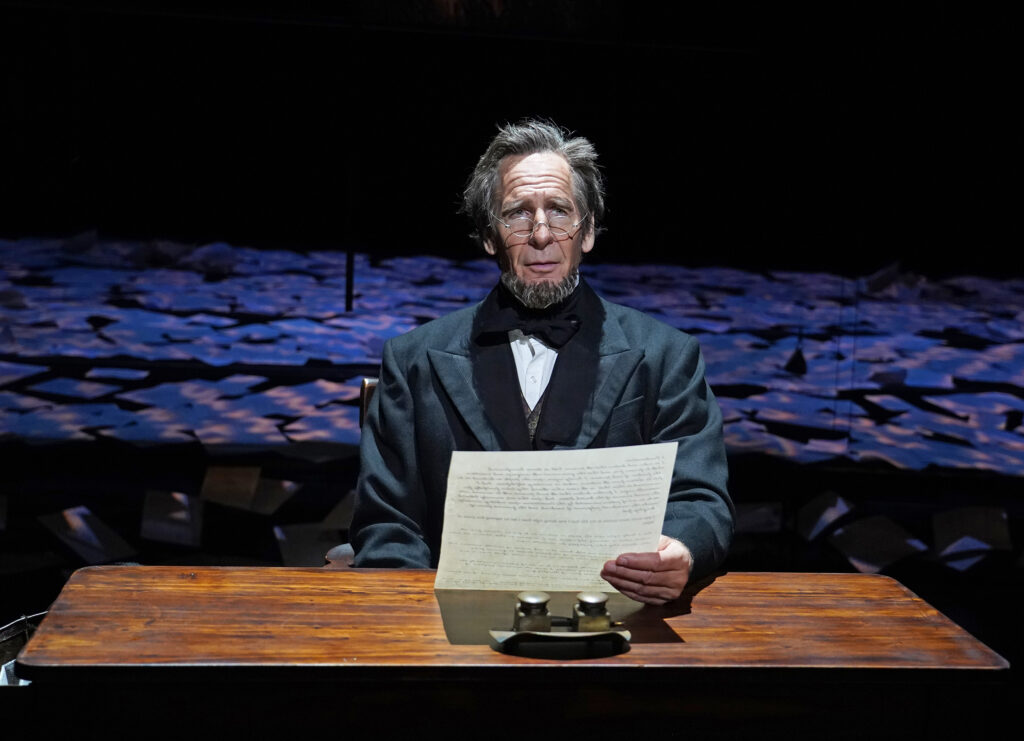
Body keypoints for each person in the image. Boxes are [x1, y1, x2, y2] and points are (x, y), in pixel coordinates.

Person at [350, 119, 733, 604]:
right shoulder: (413, 360)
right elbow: (387, 521)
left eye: (559, 211)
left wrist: (680, 550)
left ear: (588, 231)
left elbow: (700, 499)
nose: (540, 234)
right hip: (450, 625)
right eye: (516, 215)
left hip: (615, 617)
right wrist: (422, 620)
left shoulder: (665, 355)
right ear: (490, 236)